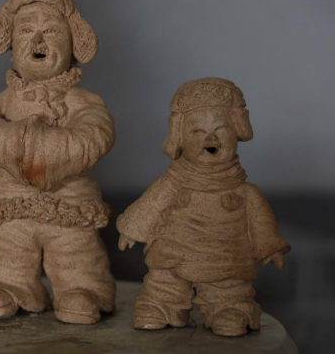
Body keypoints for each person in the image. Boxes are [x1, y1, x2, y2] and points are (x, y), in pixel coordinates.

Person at [0, 0, 115, 324]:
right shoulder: (1, 102)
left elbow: (96, 131)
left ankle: (81, 290)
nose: (38, 41)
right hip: (10, 201)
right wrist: (12, 141)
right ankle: (7, 286)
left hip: (69, 201)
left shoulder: (82, 101)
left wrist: (49, 147)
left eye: (52, 31)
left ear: (72, 42)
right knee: (7, 250)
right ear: (10, 45)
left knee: (77, 251)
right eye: (27, 30)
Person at [117, 77, 290, 336]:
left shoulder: (245, 193)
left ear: (238, 131)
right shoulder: (171, 186)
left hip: (225, 260)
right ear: (179, 137)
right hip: (173, 256)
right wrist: (132, 229)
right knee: (164, 282)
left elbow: (261, 222)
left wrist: (270, 247)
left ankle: (230, 309)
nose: (210, 138)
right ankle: (160, 306)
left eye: (221, 129)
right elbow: (151, 206)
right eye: (197, 131)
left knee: (230, 287)